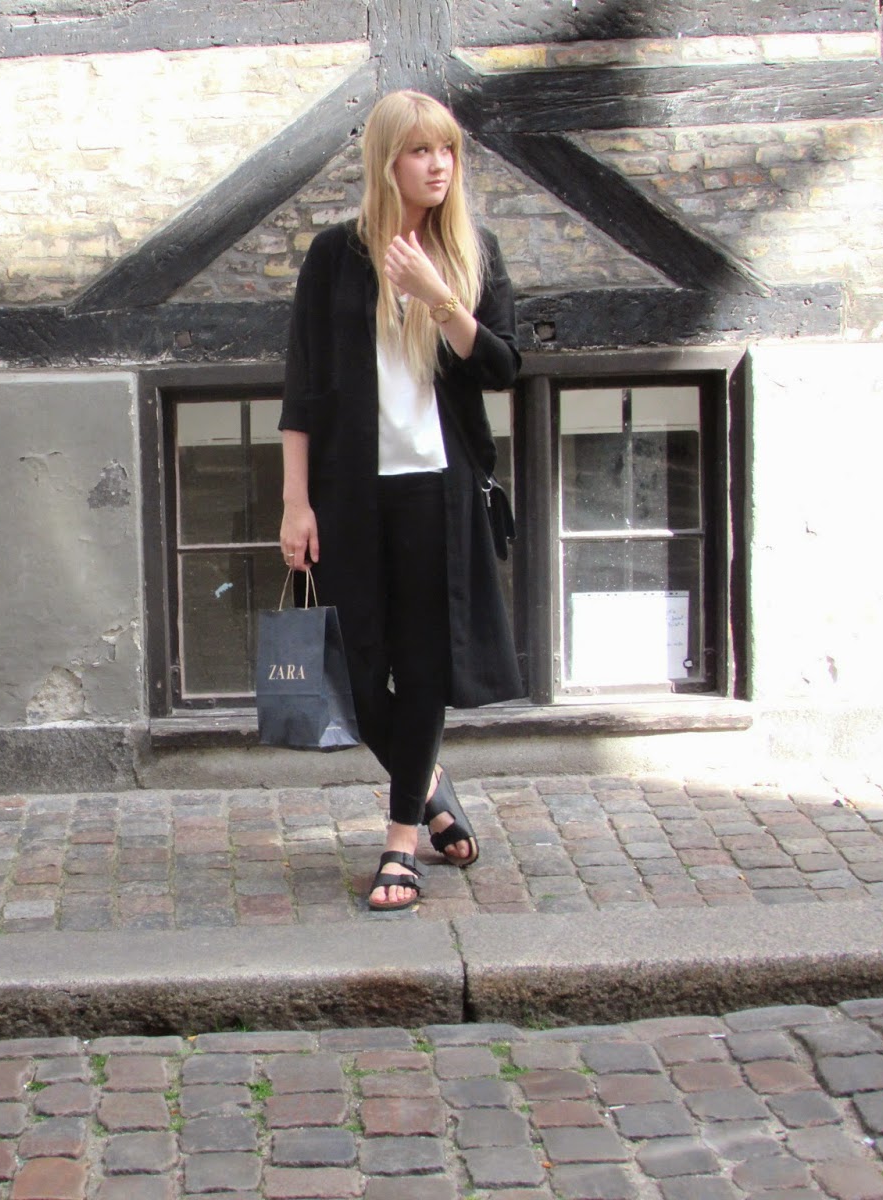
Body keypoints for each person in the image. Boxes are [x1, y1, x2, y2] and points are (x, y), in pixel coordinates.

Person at [278, 89, 524, 912]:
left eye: (447, 150)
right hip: (349, 494)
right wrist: (295, 502)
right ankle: (430, 783)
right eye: (420, 151)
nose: (438, 165)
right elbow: (303, 389)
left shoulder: (471, 251)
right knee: (351, 668)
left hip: (437, 494)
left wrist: (435, 292)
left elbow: (500, 367)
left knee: (421, 667)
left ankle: (399, 842)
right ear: (387, 162)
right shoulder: (334, 256)